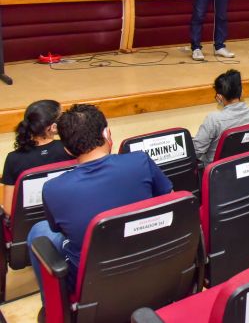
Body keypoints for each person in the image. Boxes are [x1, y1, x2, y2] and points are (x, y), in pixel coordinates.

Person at [27, 105, 172, 304]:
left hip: (91, 282)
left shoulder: (53, 189)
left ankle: (54, 307)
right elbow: (171, 200)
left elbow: (59, 230)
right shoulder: (141, 161)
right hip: (153, 262)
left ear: (67, 149)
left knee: (39, 230)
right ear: (106, 133)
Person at [2, 100, 71, 217]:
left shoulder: (13, 158)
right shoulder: (69, 149)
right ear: (53, 127)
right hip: (64, 215)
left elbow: (8, 209)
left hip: (28, 224)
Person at [193, 70, 249, 164]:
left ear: (219, 97)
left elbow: (196, 151)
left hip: (221, 170)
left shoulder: (214, 120)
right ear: (242, 93)